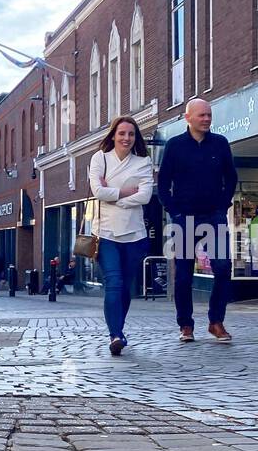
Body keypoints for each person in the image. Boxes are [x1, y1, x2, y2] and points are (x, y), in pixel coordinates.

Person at [158, 97, 237, 344]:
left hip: (214, 216)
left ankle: (216, 322)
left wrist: (223, 204)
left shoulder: (220, 144)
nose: (206, 119)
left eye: (209, 115)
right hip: (184, 219)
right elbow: (162, 184)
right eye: (201, 115)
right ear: (188, 117)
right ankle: (186, 325)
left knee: (223, 267)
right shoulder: (174, 146)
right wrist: (175, 212)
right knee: (183, 275)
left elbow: (231, 178)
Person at [88, 115, 154, 356]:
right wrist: (126, 193)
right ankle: (115, 335)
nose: (126, 138)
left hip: (135, 235)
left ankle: (119, 329)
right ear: (113, 135)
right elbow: (98, 191)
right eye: (122, 133)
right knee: (113, 284)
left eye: (131, 134)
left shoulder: (143, 162)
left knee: (125, 287)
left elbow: (145, 196)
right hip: (105, 234)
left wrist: (114, 196)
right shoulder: (99, 159)